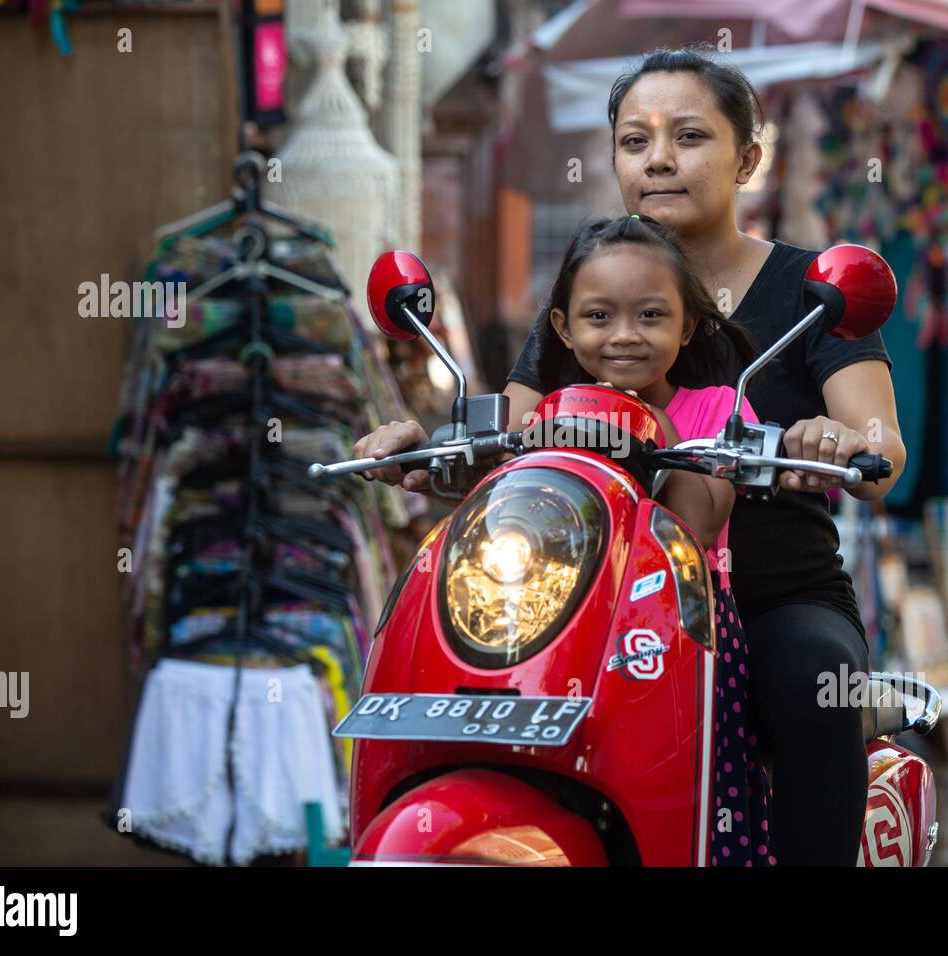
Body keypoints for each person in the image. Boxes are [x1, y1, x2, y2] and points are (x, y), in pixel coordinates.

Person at [362, 46, 907, 866]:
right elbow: (504, 437)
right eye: (633, 140)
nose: (658, 159)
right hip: (596, 597)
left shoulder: (808, 293)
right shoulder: (594, 286)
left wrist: (834, 441)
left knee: (812, 688)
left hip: (768, 599)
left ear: (748, 158)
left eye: (689, 137)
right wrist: (429, 442)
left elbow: (882, 451)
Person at [355, 213, 775, 864]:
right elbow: (494, 492)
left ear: (687, 326)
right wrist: (417, 453)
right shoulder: (539, 418)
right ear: (562, 327)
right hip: (547, 628)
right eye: (599, 316)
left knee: (702, 813)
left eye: (651, 316)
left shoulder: (718, 409)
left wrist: (654, 435)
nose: (625, 336)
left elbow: (695, 525)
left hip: (670, 635)